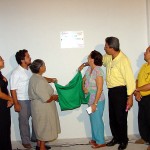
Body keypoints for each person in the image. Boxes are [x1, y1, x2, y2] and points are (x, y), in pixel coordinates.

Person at [103, 37, 135, 150]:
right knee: (112, 117)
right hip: (111, 91)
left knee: (120, 118)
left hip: (121, 92)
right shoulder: (109, 57)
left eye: (106, 46)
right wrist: (90, 61)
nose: (104, 48)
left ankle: (123, 140)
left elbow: (130, 79)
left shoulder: (123, 60)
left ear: (112, 48)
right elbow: (101, 61)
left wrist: (130, 97)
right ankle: (116, 138)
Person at [28, 59, 61, 150]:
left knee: (40, 126)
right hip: (42, 107)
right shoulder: (39, 81)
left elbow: (43, 79)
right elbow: (47, 99)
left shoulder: (35, 77)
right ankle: (42, 147)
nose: (45, 67)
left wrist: (51, 80)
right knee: (44, 127)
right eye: (44, 65)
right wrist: (55, 97)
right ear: (40, 68)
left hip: (38, 106)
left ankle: (39, 144)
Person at [79, 50, 106, 149]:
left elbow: (100, 89)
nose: (88, 58)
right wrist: (84, 88)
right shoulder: (89, 69)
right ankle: (95, 138)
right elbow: (83, 80)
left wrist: (95, 104)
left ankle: (101, 142)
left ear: (93, 59)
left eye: (89, 57)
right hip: (89, 99)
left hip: (97, 100)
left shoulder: (98, 71)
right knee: (93, 120)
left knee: (97, 120)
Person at [10, 49, 36, 149]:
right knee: (24, 122)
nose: (30, 58)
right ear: (22, 60)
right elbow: (13, 90)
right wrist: (16, 103)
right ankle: (25, 141)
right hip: (22, 100)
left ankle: (35, 138)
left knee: (36, 120)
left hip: (32, 99)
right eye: (28, 56)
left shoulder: (29, 70)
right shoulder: (16, 73)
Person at [134, 46, 150, 150]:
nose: (144, 54)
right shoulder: (144, 66)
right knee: (142, 119)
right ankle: (144, 138)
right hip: (142, 98)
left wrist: (138, 90)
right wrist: (137, 92)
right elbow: (137, 80)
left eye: (146, 52)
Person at [0, 56, 13, 150]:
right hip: (0, 106)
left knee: (5, 128)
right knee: (2, 128)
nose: (3, 60)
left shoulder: (0, 73)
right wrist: (11, 99)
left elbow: (4, 88)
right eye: (1, 59)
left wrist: (9, 99)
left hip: (4, 105)